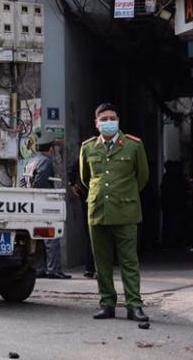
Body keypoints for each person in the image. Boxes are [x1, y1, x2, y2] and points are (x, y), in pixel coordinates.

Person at [80, 103, 150, 322]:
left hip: (126, 211)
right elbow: (85, 179)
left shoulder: (133, 145)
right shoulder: (88, 147)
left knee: (129, 262)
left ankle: (134, 306)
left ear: (118, 120)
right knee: (101, 262)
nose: (108, 122)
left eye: (112, 118)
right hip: (98, 211)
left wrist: (124, 195)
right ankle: (107, 304)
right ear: (97, 123)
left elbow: (143, 177)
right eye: (104, 119)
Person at [20, 132, 71, 280]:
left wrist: (29, 195)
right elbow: (41, 181)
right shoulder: (47, 162)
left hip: (31, 204)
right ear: (50, 149)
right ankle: (53, 270)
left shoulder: (31, 161)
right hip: (45, 203)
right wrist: (42, 194)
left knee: (38, 238)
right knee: (51, 238)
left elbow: (23, 182)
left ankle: (40, 268)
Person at [68, 159, 95, 278]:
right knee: (94, 234)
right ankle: (93, 268)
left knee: (92, 234)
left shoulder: (84, 155)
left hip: (88, 196)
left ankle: (92, 268)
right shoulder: (86, 155)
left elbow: (73, 172)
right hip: (89, 197)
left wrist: (73, 185)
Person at [160, 160, 191, 250]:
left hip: (174, 204)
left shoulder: (170, 177)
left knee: (173, 224)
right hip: (175, 204)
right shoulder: (176, 177)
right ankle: (173, 243)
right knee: (173, 224)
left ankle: (173, 243)